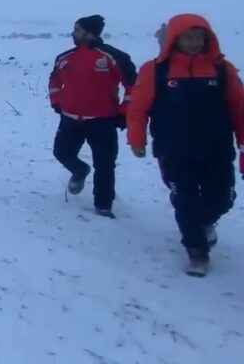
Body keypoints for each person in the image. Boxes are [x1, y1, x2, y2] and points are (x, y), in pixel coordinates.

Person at [127, 14, 244, 276]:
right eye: (188, 38)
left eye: (199, 37)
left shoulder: (222, 69)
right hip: (174, 152)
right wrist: (137, 139)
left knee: (222, 200)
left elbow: (240, 109)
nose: (194, 43)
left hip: (217, 150)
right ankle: (197, 252)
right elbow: (138, 108)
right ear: (175, 39)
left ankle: (203, 223)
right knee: (185, 202)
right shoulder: (156, 70)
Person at [48, 15, 136, 218]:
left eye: (77, 30)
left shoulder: (114, 57)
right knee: (62, 153)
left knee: (105, 164)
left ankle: (103, 206)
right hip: (70, 119)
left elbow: (133, 86)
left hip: (102, 121)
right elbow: (54, 81)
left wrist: (124, 112)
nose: (73, 33)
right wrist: (56, 102)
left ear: (90, 33)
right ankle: (80, 171)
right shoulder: (65, 57)